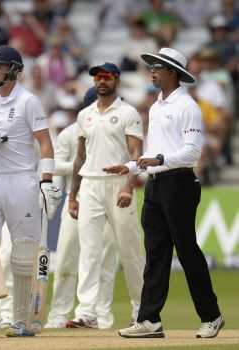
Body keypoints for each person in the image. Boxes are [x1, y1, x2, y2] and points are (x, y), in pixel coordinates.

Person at [108, 47, 225, 339]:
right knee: (156, 253)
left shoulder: (188, 107)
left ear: (172, 72)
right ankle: (150, 320)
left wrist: (159, 160)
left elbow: (191, 152)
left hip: (180, 184)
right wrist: (129, 167)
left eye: (157, 67)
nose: (152, 71)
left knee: (186, 252)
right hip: (156, 185)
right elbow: (150, 152)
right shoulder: (157, 106)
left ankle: (212, 316)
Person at [0, 45, 61, 337]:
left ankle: (21, 320)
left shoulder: (28, 102)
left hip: (22, 181)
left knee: (24, 254)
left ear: (14, 70)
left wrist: (46, 180)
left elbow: (45, 144)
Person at [66, 63, 144, 329]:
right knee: (89, 250)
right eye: (97, 77)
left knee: (130, 250)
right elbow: (80, 157)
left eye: (106, 77)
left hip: (118, 183)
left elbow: (136, 154)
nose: (101, 81)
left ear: (117, 81)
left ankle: (142, 310)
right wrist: (72, 196)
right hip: (89, 185)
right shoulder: (84, 114)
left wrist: (128, 186)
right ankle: (87, 312)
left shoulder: (127, 112)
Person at [46, 87, 122, 329]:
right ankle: (58, 314)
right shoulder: (69, 133)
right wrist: (84, 167)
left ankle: (101, 315)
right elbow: (55, 165)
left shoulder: (117, 131)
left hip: (109, 198)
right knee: (67, 258)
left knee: (105, 261)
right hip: (76, 199)